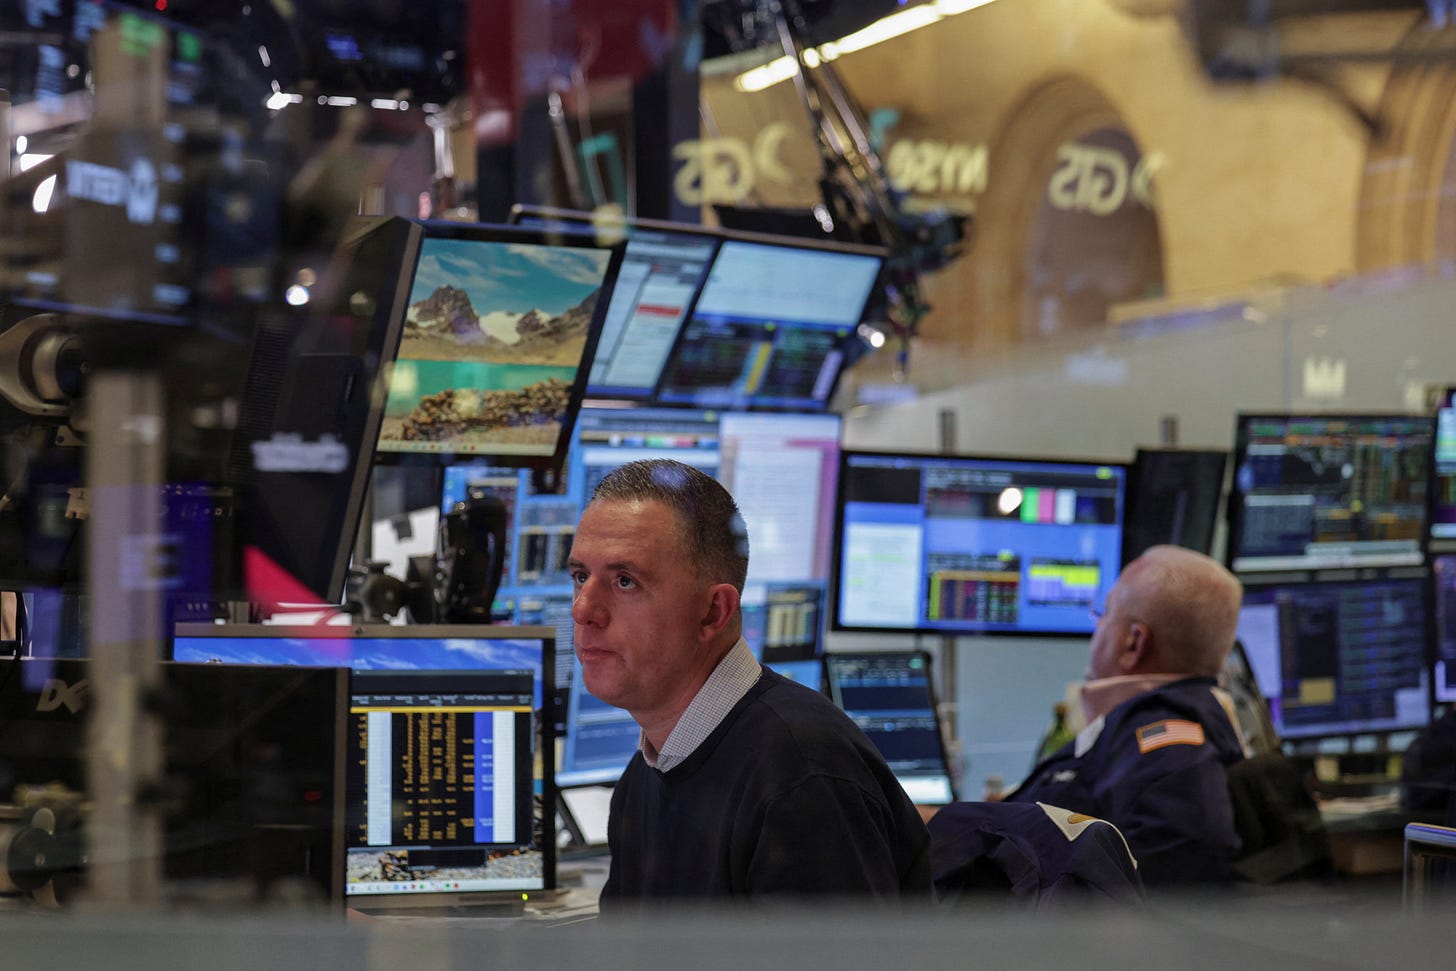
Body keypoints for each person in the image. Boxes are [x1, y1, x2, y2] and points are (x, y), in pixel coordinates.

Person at [568, 458, 931, 908]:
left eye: (625, 581)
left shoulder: (802, 777)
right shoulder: (643, 780)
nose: (583, 609)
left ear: (713, 612)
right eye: (581, 576)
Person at [1001, 545, 1248, 884]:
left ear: (1134, 642)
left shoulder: (1167, 749)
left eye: (1104, 614)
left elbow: (1176, 896)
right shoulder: (1153, 728)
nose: (1097, 626)